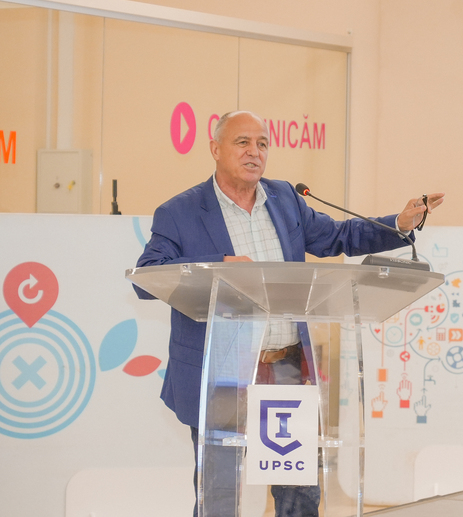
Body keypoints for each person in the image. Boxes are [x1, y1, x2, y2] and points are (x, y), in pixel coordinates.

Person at [133, 110, 444, 517]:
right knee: (219, 496)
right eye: (242, 142)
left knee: (299, 495)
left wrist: (399, 224)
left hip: (286, 369)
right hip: (223, 372)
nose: (254, 152)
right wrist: (219, 266)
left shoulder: (285, 199)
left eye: (262, 143)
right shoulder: (181, 211)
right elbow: (147, 277)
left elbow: (338, 237)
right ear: (215, 149)